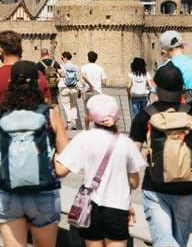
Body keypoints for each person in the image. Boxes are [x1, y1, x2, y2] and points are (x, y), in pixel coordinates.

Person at [0, 60, 68, 247]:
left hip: (7, 192)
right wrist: (57, 170)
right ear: (37, 82)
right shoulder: (49, 114)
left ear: (11, 82)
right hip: (44, 192)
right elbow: (67, 156)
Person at [130, 63, 192, 247]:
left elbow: (131, 161)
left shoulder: (145, 116)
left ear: (157, 88)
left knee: (164, 243)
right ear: (181, 89)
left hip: (155, 189)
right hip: (186, 192)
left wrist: (124, 199)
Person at [55, 94, 144, 247]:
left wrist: (53, 153)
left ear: (90, 116)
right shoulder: (125, 143)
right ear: (117, 117)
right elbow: (134, 183)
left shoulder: (83, 138)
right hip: (118, 207)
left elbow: (61, 170)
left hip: (92, 206)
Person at [0, 31, 52, 128]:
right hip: (34, 137)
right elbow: (48, 108)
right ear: (20, 50)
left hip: (3, 137)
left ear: (0, 49)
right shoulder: (39, 76)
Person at [58, 52, 81, 129]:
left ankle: (69, 122)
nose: (62, 60)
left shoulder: (61, 66)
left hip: (64, 88)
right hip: (74, 88)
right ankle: (74, 123)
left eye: (62, 58)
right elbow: (78, 79)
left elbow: (59, 77)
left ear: (65, 58)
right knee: (73, 106)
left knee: (66, 106)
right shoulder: (76, 67)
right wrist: (80, 89)